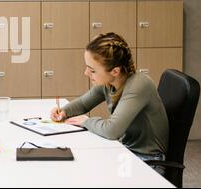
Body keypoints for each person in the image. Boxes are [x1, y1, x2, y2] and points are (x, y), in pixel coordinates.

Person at [50, 32, 169, 166]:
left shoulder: (139, 84)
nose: (86, 73)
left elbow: (112, 130)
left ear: (115, 71)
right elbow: (83, 104)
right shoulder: (110, 81)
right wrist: (64, 111)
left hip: (148, 160)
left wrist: (86, 121)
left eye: (92, 70)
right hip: (127, 151)